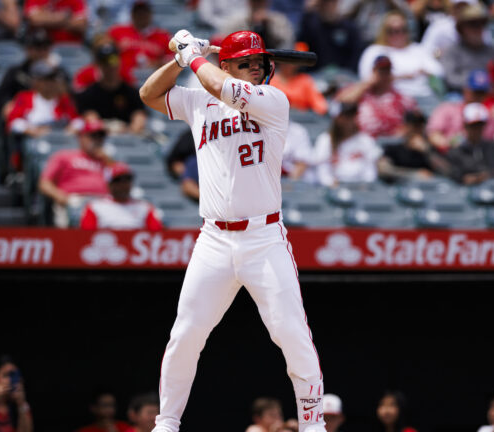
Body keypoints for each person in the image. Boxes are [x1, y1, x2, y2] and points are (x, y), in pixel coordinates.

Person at [138, 30, 325, 432]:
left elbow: (223, 87)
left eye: (259, 62)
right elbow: (149, 95)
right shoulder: (200, 100)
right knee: (186, 334)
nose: (256, 68)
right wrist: (181, 59)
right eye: (247, 62)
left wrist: (192, 58)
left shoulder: (273, 100)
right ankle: (167, 424)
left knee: (291, 334)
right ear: (226, 64)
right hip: (215, 240)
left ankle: (313, 425)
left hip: (264, 237)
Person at [38, 119, 112, 228]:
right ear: (81, 137)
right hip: (74, 200)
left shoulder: (105, 161)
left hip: (103, 202)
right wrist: (62, 198)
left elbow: (120, 182)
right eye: (93, 136)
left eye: (100, 136)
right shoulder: (64, 156)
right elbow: (44, 183)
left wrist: (109, 161)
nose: (97, 140)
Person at [358, 10, 443, 98]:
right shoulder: (375, 51)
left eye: (402, 29)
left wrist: (424, 72)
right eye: (392, 30)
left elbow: (438, 72)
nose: (398, 34)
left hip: (423, 97)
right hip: (388, 98)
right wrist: (404, 76)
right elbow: (367, 79)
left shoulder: (418, 49)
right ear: (383, 31)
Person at [75, 43, 148, 135]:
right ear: (99, 64)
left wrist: (126, 130)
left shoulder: (132, 93)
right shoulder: (89, 94)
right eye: (105, 62)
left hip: (127, 140)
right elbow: (92, 121)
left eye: (113, 60)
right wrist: (113, 127)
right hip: (100, 139)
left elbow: (139, 121)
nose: (110, 66)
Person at [0, 28, 67, 119]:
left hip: (53, 114)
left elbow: (68, 95)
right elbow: (1, 96)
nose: (42, 52)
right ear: (28, 49)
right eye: (38, 48)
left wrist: (54, 74)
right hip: (24, 114)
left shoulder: (58, 72)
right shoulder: (16, 72)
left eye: (45, 48)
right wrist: (7, 104)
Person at [337, 55, 416, 138]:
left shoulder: (401, 97)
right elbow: (342, 102)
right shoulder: (362, 93)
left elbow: (416, 120)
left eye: (387, 72)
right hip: (364, 140)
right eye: (381, 72)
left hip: (392, 140)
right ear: (374, 71)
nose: (384, 76)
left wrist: (406, 130)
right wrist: (367, 83)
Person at [6, 60, 81, 138]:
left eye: (53, 79)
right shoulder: (24, 97)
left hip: (59, 143)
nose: (51, 83)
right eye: (46, 79)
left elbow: (77, 121)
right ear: (36, 81)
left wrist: (71, 129)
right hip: (33, 143)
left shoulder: (64, 100)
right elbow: (13, 122)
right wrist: (32, 131)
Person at [449, 103, 494, 185]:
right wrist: (480, 179)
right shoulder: (456, 152)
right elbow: (457, 179)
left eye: (479, 125)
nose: (476, 130)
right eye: (473, 126)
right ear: (465, 125)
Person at [80, 162, 163, 230]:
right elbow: (86, 236)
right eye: (118, 180)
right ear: (109, 184)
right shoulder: (95, 207)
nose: (123, 184)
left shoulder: (145, 207)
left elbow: (157, 234)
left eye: (127, 179)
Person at [314, 103, 383, 186]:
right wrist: (330, 183)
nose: (352, 120)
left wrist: (366, 185)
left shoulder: (366, 140)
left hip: (361, 188)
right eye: (347, 116)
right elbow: (322, 171)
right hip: (334, 187)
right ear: (338, 118)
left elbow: (370, 171)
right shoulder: (325, 140)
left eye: (354, 115)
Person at [440, 2, 494, 93]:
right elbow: (450, 79)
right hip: (461, 96)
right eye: (473, 24)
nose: (478, 28)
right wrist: (476, 81)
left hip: (490, 95)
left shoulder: (493, 51)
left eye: (481, 24)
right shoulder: (452, 51)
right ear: (462, 28)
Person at [428, 68, 490, 151]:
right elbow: (433, 135)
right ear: (466, 90)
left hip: (478, 157)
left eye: (483, 93)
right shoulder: (447, 108)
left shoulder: (488, 114)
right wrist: (450, 144)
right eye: (476, 92)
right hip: (449, 156)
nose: (479, 97)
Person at [378, 110, 447, 182]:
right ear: (405, 128)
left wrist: (427, 151)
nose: (418, 131)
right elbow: (383, 170)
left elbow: (447, 171)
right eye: (414, 127)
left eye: (421, 127)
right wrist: (413, 174)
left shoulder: (430, 150)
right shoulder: (393, 149)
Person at [296, 0, 363, 72]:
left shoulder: (349, 28)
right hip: (315, 74)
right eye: (325, 3)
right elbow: (301, 48)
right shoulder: (311, 25)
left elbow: (356, 56)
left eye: (332, 2)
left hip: (344, 75)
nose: (329, 6)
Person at [108, 0, 172, 74]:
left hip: (153, 79)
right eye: (138, 13)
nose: (141, 15)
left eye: (144, 12)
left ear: (150, 14)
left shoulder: (163, 35)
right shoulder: (117, 31)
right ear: (132, 14)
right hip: (124, 79)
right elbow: (106, 53)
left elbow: (171, 60)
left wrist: (158, 63)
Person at [270, 43, 328, 115]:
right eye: (286, 60)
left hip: (301, 121)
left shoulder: (305, 80)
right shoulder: (269, 79)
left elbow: (321, 107)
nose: (289, 65)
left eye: (292, 61)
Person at [72, 34, 136, 93]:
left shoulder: (124, 73)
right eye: (104, 60)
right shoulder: (84, 74)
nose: (109, 66)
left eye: (112, 59)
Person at [220, 0, 295, 50]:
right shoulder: (236, 20)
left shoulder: (278, 20)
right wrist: (250, 24)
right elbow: (226, 44)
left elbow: (287, 46)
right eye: (255, 1)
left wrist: (268, 25)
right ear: (249, 2)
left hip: (274, 63)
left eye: (260, 1)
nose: (258, 4)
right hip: (243, 62)